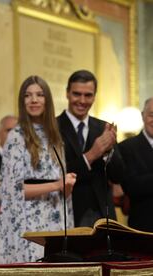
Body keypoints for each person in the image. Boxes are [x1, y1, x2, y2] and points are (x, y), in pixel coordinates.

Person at [0, 75, 76, 263]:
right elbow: (12, 190)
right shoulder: (16, 136)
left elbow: (63, 191)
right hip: (28, 225)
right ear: (22, 101)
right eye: (28, 95)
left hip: (55, 222)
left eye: (39, 95)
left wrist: (67, 185)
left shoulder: (55, 137)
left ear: (47, 100)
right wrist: (57, 185)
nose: (34, 100)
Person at [57, 70, 124, 227]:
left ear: (94, 96)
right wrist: (92, 154)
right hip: (67, 212)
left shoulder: (104, 128)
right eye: (76, 94)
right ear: (67, 93)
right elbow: (56, 175)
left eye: (88, 95)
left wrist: (108, 151)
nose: (82, 100)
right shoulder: (52, 127)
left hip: (102, 214)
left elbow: (118, 176)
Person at [118, 97, 153, 232]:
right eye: (151, 115)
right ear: (142, 116)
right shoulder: (126, 147)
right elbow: (132, 186)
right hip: (144, 227)